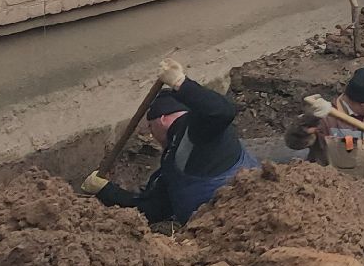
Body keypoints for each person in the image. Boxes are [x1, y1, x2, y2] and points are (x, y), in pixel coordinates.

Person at [80, 59, 259, 225]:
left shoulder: (197, 129)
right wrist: (106, 190)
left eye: (151, 127)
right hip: (213, 229)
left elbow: (222, 111)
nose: (152, 135)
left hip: (234, 222)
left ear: (163, 119)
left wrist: (180, 83)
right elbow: (153, 208)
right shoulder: (176, 155)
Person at [284, 66, 364, 188]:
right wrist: (310, 119)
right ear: (363, 102)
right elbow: (293, 142)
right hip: (331, 199)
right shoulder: (325, 119)